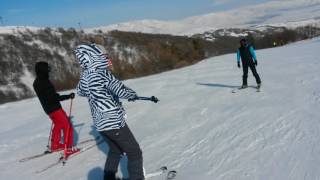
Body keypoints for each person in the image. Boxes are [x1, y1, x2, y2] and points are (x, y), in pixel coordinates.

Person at [74, 43, 144, 180]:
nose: (107, 58)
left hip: (100, 123)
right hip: (113, 121)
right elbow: (120, 90)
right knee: (134, 152)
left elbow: (81, 91)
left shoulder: (85, 76)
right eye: (104, 55)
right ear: (95, 57)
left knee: (115, 150)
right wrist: (132, 94)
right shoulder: (103, 74)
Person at [33, 62, 79, 156]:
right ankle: (68, 147)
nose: (49, 70)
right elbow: (53, 97)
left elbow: (49, 96)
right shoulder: (45, 81)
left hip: (48, 109)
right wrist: (68, 96)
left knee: (58, 125)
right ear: (43, 70)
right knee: (67, 125)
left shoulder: (36, 82)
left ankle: (55, 145)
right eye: (47, 68)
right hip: (54, 108)